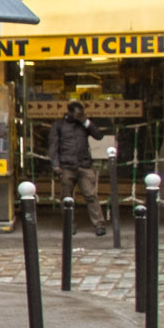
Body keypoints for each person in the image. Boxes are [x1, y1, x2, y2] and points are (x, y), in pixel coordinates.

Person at [48, 100, 107, 236]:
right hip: (66, 166)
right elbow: (53, 147)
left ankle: (99, 224)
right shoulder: (59, 126)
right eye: (77, 114)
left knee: (91, 195)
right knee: (66, 198)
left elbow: (98, 135)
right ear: (70, 113)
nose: (79, 116)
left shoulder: (84, 125)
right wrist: (56, 165)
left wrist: (85, 121)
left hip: (84, 165)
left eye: (81, 114)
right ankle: (69, 225)